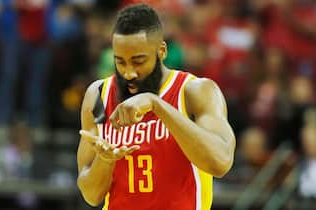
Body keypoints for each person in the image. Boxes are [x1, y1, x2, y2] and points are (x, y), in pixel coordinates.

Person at [77, 4, 236, 210]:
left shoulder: (195, 91)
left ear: (161, 51)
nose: (129, 73)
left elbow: (220, 162)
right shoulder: (98, 95)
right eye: (120, 62)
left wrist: (157, 105)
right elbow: (91, 195)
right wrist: (105, 160)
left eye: (138, 61)